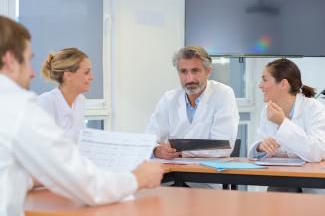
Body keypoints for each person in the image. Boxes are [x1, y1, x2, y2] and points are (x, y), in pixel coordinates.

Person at [0, 15, 163, 216]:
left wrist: (34, 176)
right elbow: (87, 185)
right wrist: (139, 178)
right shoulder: (18, 107)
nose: (33, 72)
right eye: (28, 60)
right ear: (9, 60)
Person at [146, 46, 239, 159]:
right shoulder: (169, 98)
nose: (189, 79)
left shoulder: (223, 93)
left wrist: (179, 151)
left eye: (195, 71)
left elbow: (223, 146)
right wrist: (157, 150)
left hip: (210, 172)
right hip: (174, 170)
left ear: (208, 71)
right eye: (183, 72)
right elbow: (149, 138)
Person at [248, 59, 325, 193]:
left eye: (265, 80)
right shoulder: (267, 110)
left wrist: (282, 123)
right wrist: (261, 147)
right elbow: (256, 147)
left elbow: (316, 152)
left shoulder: (314, 108)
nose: (260, 86)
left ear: (283, 84)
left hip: (311, 186)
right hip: (280, 181)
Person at [37, 48, 93, 143]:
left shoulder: (80, 100)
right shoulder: (45, 102)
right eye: (86, 72)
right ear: (68, 76)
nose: (92, 77)